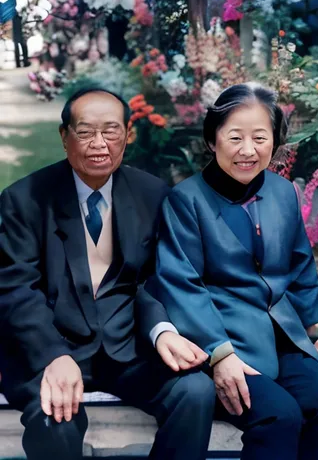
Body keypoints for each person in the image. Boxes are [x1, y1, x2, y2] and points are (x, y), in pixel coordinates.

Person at [0, 87, 215, 460]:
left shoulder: (153, 195)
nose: (99, 143)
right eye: (85, 132)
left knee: (194, 393)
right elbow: (16, 289)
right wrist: (52, 354)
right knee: (56, 422)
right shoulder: (24, 199)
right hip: (51, 349)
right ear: (64, 137)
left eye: (111, 131)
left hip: (127, 348)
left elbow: (158, 279)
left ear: (128, 135)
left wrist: (160, 330)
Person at [156, 82, 318, 460]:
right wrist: (219, 353)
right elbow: (181, 284)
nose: (248, 150)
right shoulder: (186, 201)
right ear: (212, 141)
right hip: (224, 344)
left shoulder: (283, 192)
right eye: (235, 137)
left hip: (283, 339)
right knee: (279, 417)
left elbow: (300, 265)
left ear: (274, 141)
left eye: (260, 137)